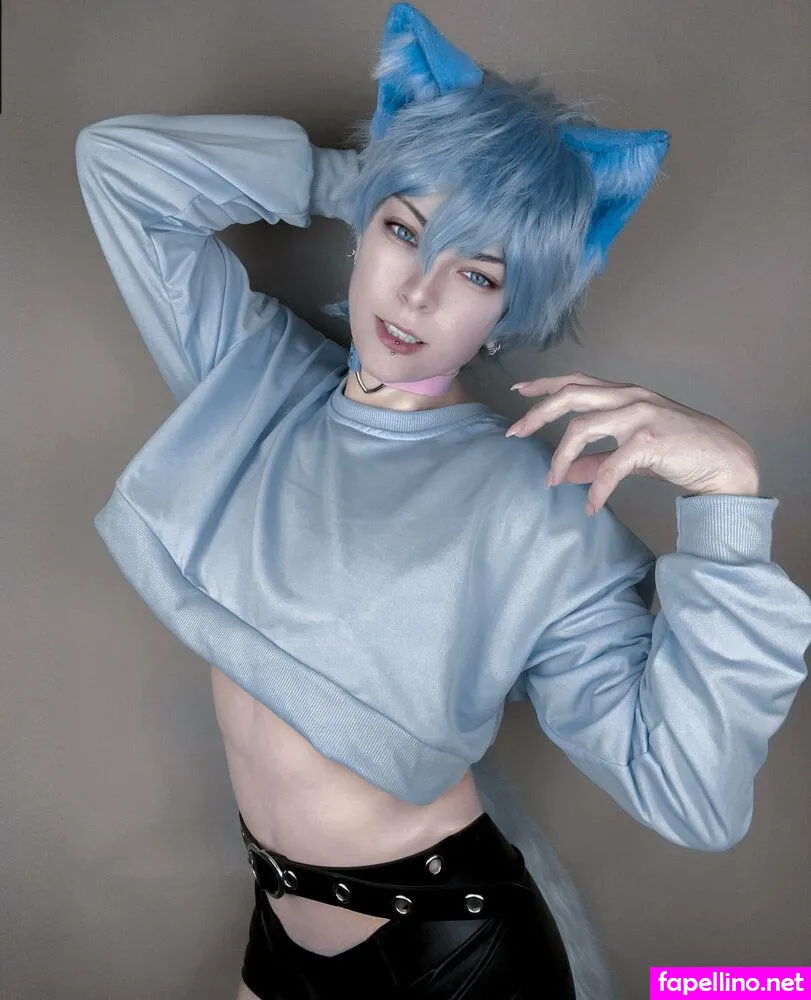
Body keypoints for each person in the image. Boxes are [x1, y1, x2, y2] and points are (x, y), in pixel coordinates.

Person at [74, 4, 811, 998]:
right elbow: (119, 168)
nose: (417, 292)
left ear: (506, 314)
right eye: (402, 233)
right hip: (277, 922)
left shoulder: (536, 507)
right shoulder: (249, 381)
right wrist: (365, 177)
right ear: (360, 234)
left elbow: (690, 793)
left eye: (474, 270)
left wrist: (726, 496)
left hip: (449, 957)